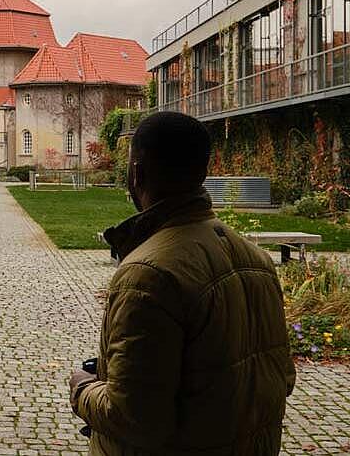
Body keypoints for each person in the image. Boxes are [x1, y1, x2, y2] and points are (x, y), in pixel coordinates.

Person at [69, 111, 295, 455]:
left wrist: (83, 389)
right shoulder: (257, 261)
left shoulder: (148, 275)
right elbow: (281, 378)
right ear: (202, 172)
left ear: (136, 173)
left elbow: (134, 418)